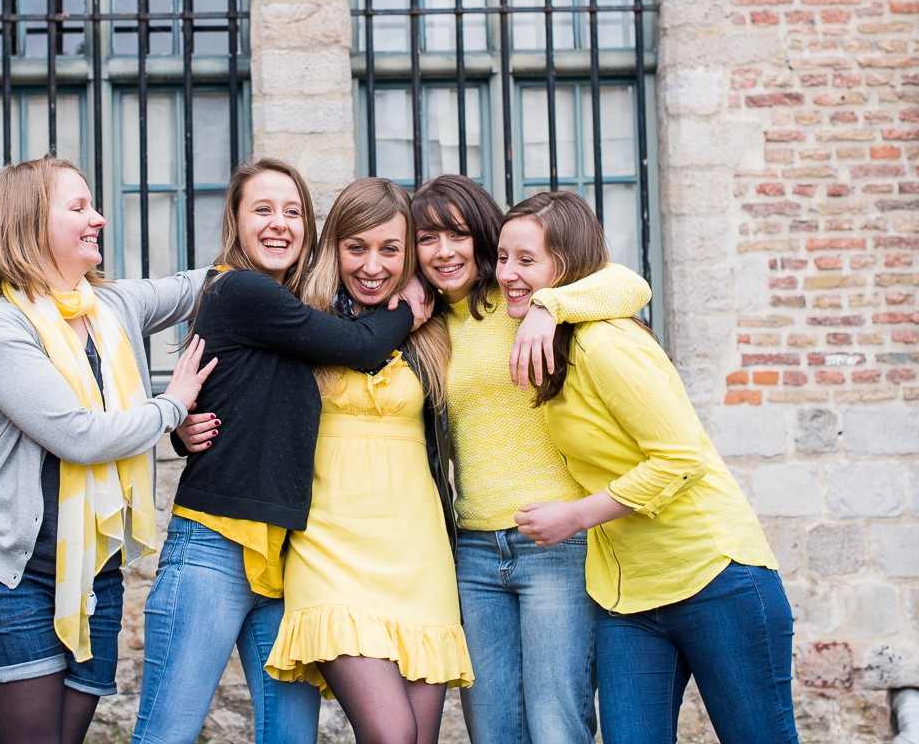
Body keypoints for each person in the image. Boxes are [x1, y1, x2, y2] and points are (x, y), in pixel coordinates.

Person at [132, 159, 428, 744]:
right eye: (262, 209)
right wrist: (406, 306)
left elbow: (246, 397)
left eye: (292, 212)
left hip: (282, 560)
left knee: (289, 737)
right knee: (167, 734)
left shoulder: (297, 306)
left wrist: (181, 427)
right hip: (215, 547)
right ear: (235, 222)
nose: (279, 224)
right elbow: (360, 348)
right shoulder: (242, 289)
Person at [496, 191, 798, 744]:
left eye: (526, 260)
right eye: (502, 258)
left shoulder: (604, 344)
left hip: (713, 576)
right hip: (627, 598)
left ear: (566, 265)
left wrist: (576, 516)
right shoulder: (554, 348)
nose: (508, 274)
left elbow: (680, 457)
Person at [0, 155, 217, 744]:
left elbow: (205, 286)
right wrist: (174, 405)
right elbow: (79, 435)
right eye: (78, 207)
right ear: (28, 222)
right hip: (5, 579)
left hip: (94, 576)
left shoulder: (111, 307)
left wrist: (273, 240)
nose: (98, 218)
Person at [408, 174, 652, 744]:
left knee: (556, 727)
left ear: (482, 237)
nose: (444, 251)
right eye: (428, 238)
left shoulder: (524, 297)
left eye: (458, 234)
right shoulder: (430, 324)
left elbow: (630, 286)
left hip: (555, 545)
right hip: (473, 550)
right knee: (492, 730)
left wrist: (550, 306)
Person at [264, 178, 473, 744]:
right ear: (334, 248)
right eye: (357, 247)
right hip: (330, 552)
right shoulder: (301, 319)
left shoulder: (434, 330)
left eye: (390, 249)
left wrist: (551, 311)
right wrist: (182, 421)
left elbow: (540, 280)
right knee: (393, 736)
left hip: (418, 556)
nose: (373, 265)